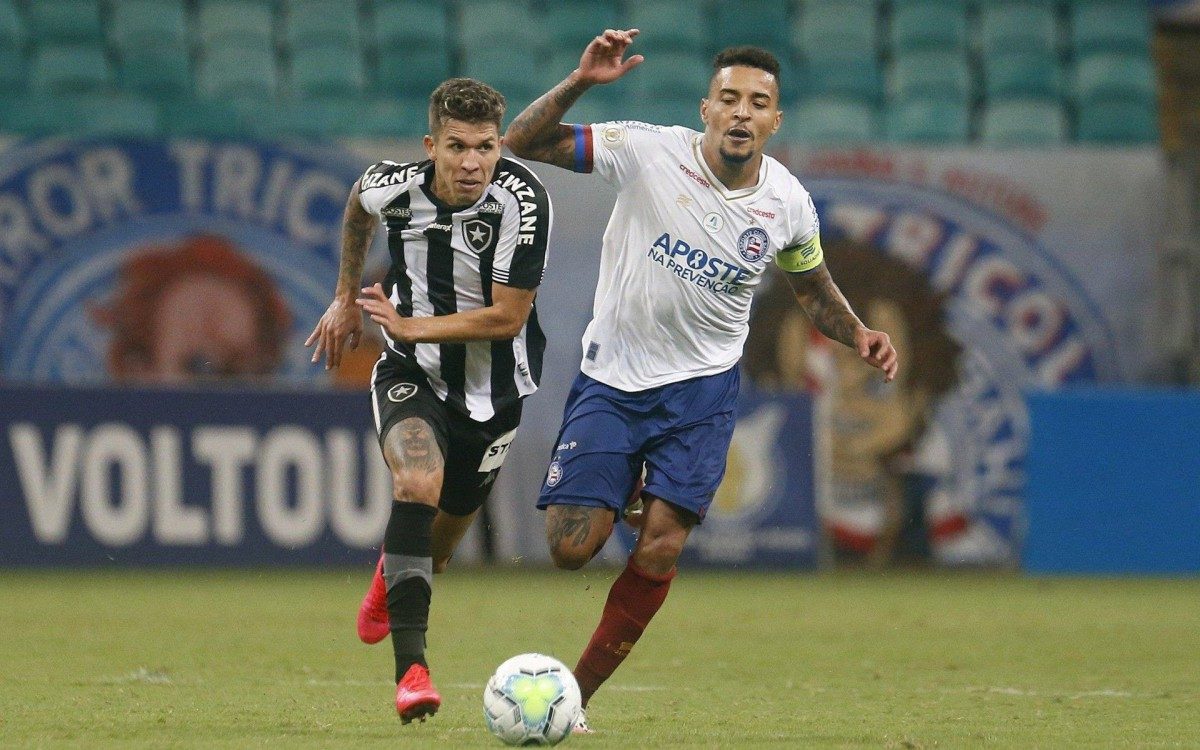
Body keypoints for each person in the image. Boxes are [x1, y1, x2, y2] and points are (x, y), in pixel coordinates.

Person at [504, 29, 898, 731]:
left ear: (776, 120)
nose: (742, 113)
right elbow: (523, 142)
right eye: (729, 99)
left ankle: (577, 698)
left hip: (702, 393)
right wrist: (581, 81)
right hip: (614, 379)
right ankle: (621, 482)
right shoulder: (646, 150)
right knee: (571, 550)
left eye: (758, 103)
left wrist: (858, 332)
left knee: (659, 544)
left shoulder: (788, 205)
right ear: (706, 109)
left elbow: (812, 292)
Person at [306, 77, 552, 724]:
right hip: (411, 372)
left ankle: (394, 572)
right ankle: (411, 672)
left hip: (495, 392)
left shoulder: (522, 199)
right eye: (457, 147)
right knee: (417, 480)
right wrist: (343, 296)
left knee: (439, 546)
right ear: (430, 145)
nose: (472, 162)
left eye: (485, 147)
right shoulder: (394, 185)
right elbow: (359, 206)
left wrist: (413, 323)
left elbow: (506, 318)